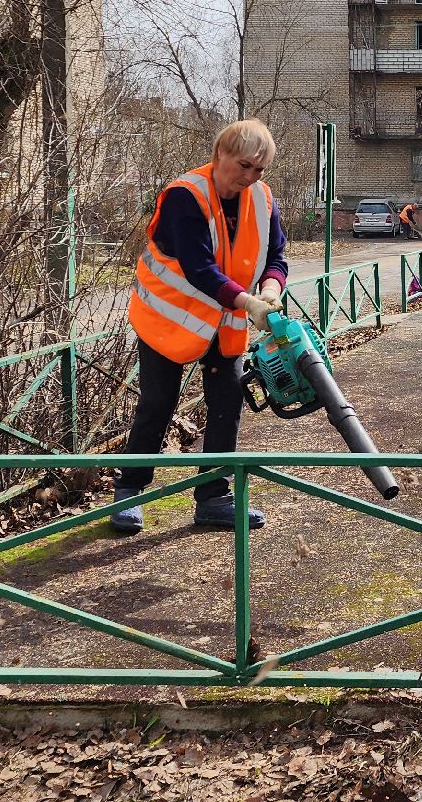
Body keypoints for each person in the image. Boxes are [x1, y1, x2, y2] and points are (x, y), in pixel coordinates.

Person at [114, 119, 288, 534]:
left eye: (259, 169)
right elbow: (199, 268)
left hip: (224, 323)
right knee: (158, 403)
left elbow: (277, 255)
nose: (250, 177)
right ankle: (130, 490)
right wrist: (248, 302)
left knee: (227, 404)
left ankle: (214, 497)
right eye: (244, 166)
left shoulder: (262, 199)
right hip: (168, 319)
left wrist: (270, 288)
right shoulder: (185, 196)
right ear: (220, 154)